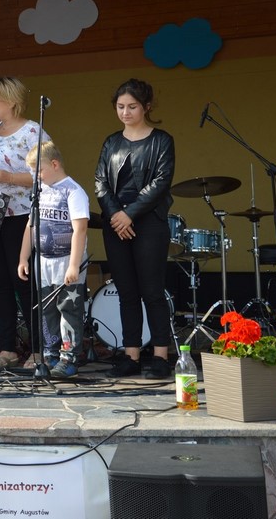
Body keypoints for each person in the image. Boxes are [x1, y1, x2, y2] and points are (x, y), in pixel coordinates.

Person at [94, 78, 175, 379]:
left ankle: (160, 356)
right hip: (116, 223)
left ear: (146, 107)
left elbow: (161, 182)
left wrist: (129, 214)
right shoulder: (111, 142)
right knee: (126, 291)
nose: (125, 112)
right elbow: (100, 182)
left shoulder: (162, 140)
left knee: (152, 291)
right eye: (120, 107)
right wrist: (117, 215)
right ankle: (131, 356)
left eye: (132, 107)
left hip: (149, 222)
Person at [0, 76, 49, 369]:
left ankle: (38, 349)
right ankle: (7, 348)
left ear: (12, 101)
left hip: (22, 215)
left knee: (23, 280)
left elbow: (45, 173)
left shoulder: (32, 131)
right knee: (0, 281)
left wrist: (11, 177)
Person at [17, 141, 88, 378]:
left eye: (38, 170)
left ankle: (69, 358)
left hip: (66, 260)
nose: (35, 176)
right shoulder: (40, 192)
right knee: (47, 309)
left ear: (54, 164)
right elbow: (30, 226)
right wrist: (24, 258)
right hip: (44, 262)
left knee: (69, 309)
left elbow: (80, 229)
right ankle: (50, 354)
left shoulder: (73, 191)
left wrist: (74, 265)